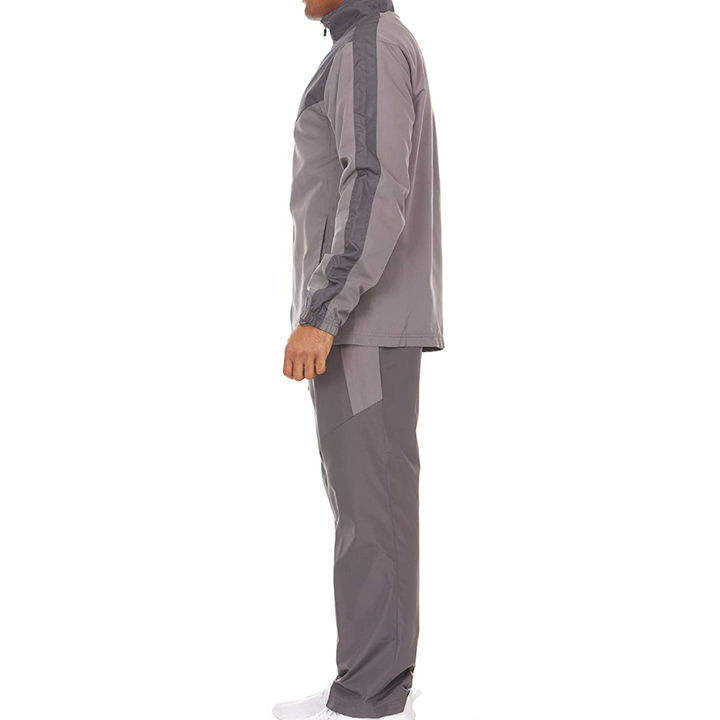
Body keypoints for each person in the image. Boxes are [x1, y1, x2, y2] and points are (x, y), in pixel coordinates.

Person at [277, 0, 443, 718]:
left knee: (372, 511)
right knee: (363, 508)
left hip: (362, 326)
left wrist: (321, 313)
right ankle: (369, 680)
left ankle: (371, 695)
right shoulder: (359, 45)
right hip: (362, 324)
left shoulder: (371, 45)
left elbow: (374, 185)